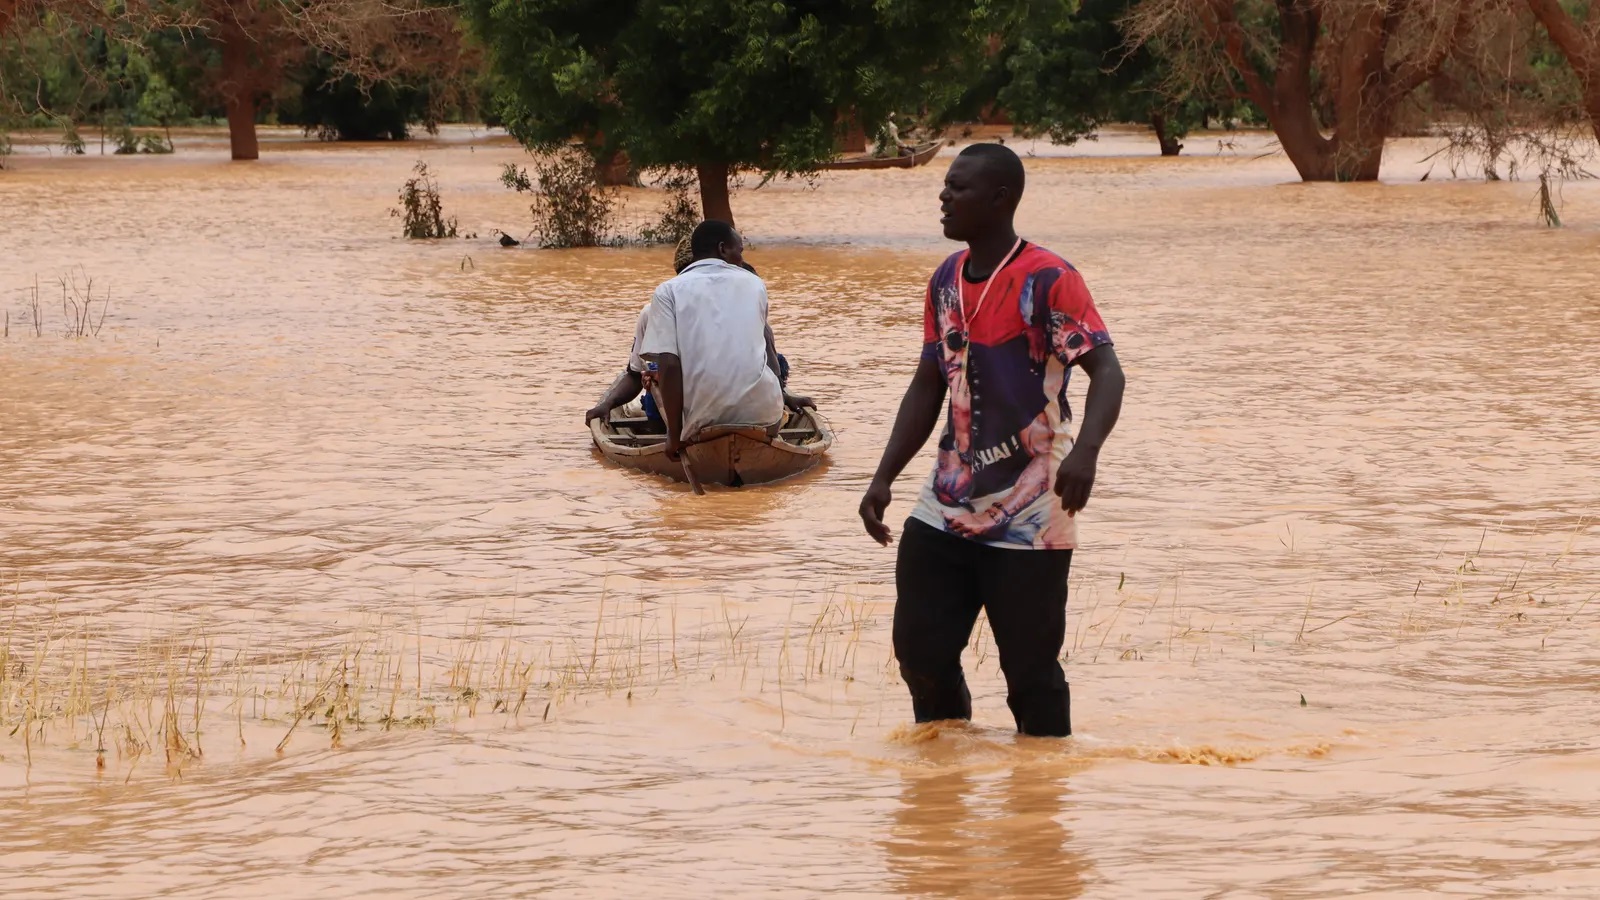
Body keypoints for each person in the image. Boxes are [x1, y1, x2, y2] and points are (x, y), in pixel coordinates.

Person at [858, 142, 1126, 737]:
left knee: (1029, 672)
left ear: (1000, 198)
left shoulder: (1050, 278)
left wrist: (1086, 452)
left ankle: (1038, 806)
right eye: (946, 186)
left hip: (1032, 511)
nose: (944, 196)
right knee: (920, 655)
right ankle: (943, 781)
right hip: (946, 503)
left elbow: (1107, 370)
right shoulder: (945, 280)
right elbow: (928, 384)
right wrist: (882, 477)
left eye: (959, 187)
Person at [584, 239, 806, 428]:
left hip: (710, 408)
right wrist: (607, 404)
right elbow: (639, 372)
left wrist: (783, 395)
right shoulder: (657, 310)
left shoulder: (738, 303)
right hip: (694, 409)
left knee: (777, 361)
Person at [639, 220, 810, 462]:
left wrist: (674, 436)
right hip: (763, 417)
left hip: (701, 420)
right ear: (722, 249)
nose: (741, 258)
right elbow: (768, 357)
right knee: (769, 409)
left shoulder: (667, 291)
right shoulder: (755, 284)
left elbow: (669, 364)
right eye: (739, 251)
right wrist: (782, 397)